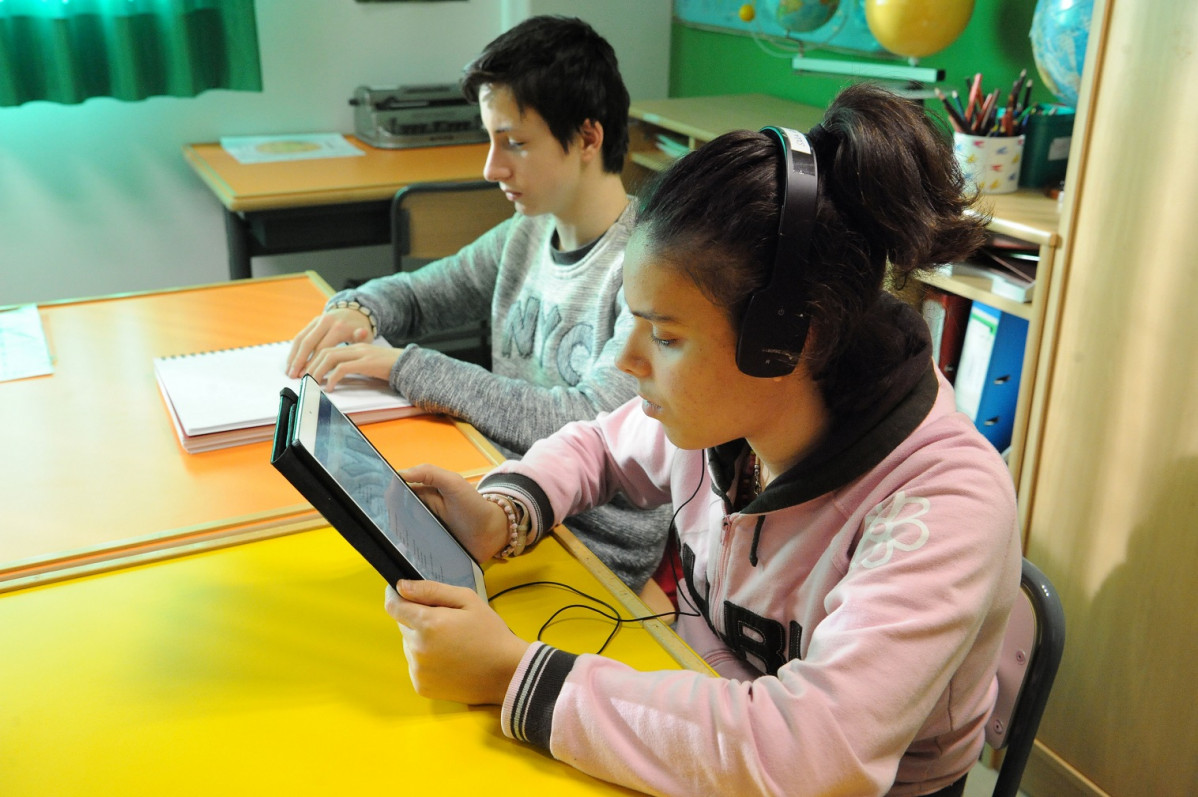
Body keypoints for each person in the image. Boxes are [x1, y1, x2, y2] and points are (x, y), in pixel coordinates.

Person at [383, 83, 1023, 797]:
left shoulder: (942, 502)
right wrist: (503, 512)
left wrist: (512, 674)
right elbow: (597, 446)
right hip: (688, 712)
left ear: (786, 341)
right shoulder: (725, 411)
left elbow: (812, 755)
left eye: (664, 334)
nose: (628, 358)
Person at [284, 15, 669, 592]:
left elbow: (587, 421)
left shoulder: (648, 270)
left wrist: (409, 368)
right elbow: (420, 294)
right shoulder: (528, 233)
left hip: (591, 544)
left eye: (514, 143)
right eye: (491, 140)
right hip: (502, 496)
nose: (491, 168)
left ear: (588, 138)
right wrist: (359, 311)